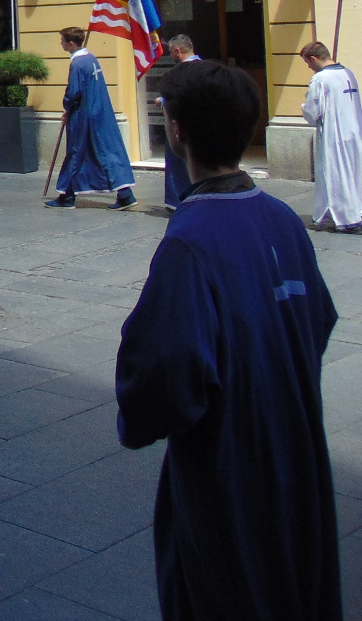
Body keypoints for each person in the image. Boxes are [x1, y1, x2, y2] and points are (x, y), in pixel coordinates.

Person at [117, 58, 339, 620]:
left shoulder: (190, 240)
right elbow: (318, 320)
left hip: (228, 470)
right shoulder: (283, 219)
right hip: (298, 453)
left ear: (178, 132)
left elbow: (163, 373)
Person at [47, 26, 137, 210]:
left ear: (71, 43)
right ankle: (125, 194)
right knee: (105, 152)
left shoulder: (78, 63)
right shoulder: (91, 59)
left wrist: (67, 108)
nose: (61, 44)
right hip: (99, 112)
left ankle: (67, 197)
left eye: (63, 40)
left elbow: (74, 92)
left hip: (84, 115)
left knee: (75, 152)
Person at [299, 40, 362, 233]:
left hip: (334, 134)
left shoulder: (320, 79)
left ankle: (347, 218)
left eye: (308, 63)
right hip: (354, 130)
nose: (308, 67)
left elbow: (312, 111)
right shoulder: (347, 73)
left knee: (336, 174)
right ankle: (333, 213)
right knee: (353, 174)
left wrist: (305, 105)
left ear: (314, 58)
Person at [161, 34, 200, 211]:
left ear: (177, 51)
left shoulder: (177, 74)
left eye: (170, 52)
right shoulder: (209, 68)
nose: (170, 56)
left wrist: (163, 101)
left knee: (180, 166)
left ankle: (179, 201)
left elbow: (176, 99)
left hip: (181, 126)